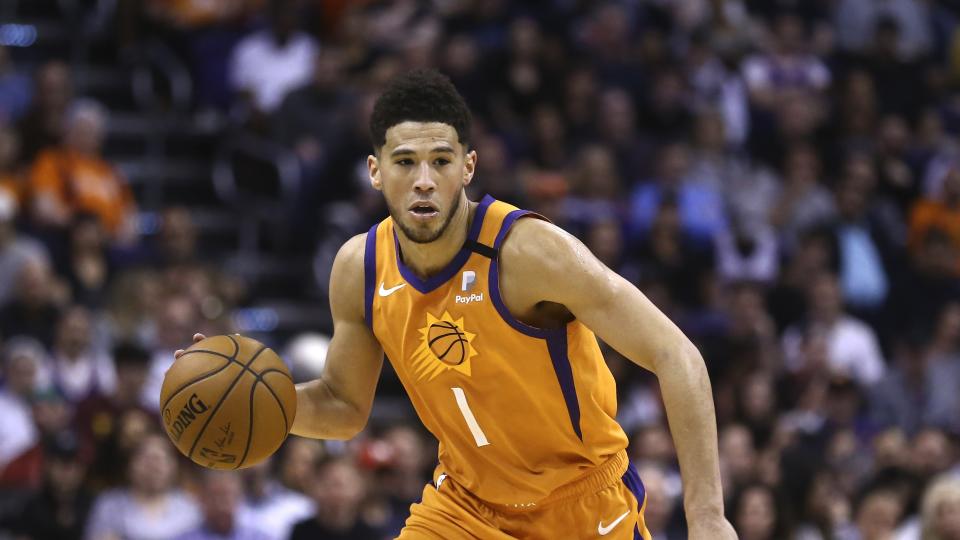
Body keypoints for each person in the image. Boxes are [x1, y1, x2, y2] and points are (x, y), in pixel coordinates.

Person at [179, 69, 734, 539]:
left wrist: (706, 514)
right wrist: (262, 402)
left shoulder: (529, 252)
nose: (423, 181)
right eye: (404, 162)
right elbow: (345, 407)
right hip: (463, 509)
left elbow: (676, 354)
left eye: (440, 161)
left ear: (467, 167)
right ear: (375, 172)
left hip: (581, 507)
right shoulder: (360, 267)